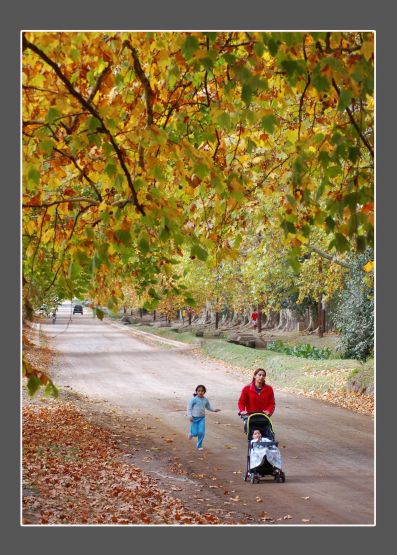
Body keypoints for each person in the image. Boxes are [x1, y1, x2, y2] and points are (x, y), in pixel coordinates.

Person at [187, 385, 220, 450]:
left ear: (204, 392)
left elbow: (208, 407)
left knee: (201, 432)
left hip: (202, 418)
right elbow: (189, 408)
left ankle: (199, 445)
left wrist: (214, 410)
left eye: (202, 391)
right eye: (199, 391)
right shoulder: (194, 399)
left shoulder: (205, 400)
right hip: (194, 418)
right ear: (196, 392)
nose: (200, 392)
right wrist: (190, 416)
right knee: (195, 433)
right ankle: (191, 433)